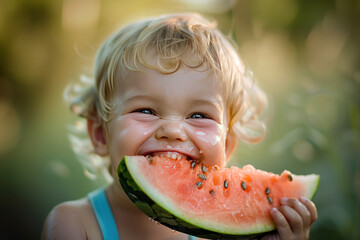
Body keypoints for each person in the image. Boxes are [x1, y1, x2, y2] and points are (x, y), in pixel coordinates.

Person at [41, 13, 317, 240]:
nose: (173, 131)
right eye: (146, 110)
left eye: (199, 116)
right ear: (101, 134)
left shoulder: (222, 232)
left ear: (227, 145)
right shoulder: (73, 225)